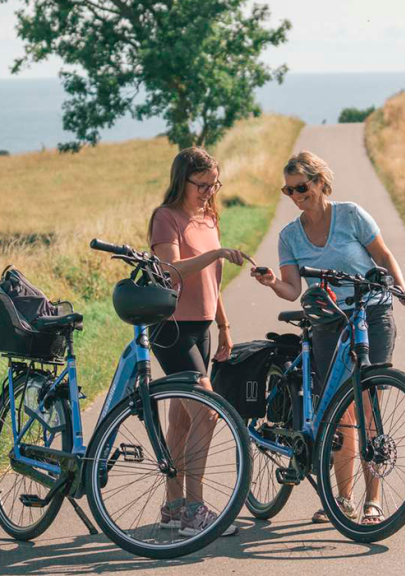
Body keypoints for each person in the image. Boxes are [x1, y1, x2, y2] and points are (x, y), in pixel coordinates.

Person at [251, 150, 405, 525]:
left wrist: (402, 289)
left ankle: (372, 502)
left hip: (370, 313)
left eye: (302, 187)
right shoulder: (290, 236)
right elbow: (292, 290)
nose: (296, 195)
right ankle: (343, 499)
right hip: (328, 322)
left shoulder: (351, 216)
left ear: (320, 183)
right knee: (342, 410)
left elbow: (384, 256)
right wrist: (272, 282)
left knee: (367, 401)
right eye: (289, 190)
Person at [148, 146, 254, 537]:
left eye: (214, 184)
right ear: (182, 180)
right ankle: (195, 510)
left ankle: (173, 507)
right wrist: (217, 253)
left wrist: (224, 326)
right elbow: (172, 272)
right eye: (202, 184)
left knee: (181, 419)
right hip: (172, 328)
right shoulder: (166, 218)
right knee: (208, 412)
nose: (210, 191)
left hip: (203, 327)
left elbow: (214, 283)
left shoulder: (209, 217)